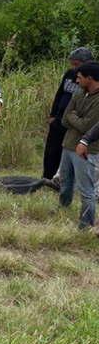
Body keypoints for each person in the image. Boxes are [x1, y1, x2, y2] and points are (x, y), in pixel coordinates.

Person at [43, 47, 94, 188]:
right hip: (59, 119)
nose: (74, 68)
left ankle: (64, 183)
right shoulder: (70, 74)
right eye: (72, 64)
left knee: (68, 154)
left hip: (76, 123)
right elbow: (59, 94)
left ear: (87, 63)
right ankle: (46, 179)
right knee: (51, 151)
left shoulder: (91, 80)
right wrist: (53, 115)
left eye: (76, 64)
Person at [58, 61, 99, 230]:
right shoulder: (79, 93)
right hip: (68, 144)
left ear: (90, 78)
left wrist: (74, 117)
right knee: (65, 182)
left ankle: (86, 224)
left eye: (80, 77)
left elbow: (87, 126)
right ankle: (63, 209)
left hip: (87, 150)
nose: (76, 80)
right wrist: (77, 118)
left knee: (86, 189)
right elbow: (64, 118)